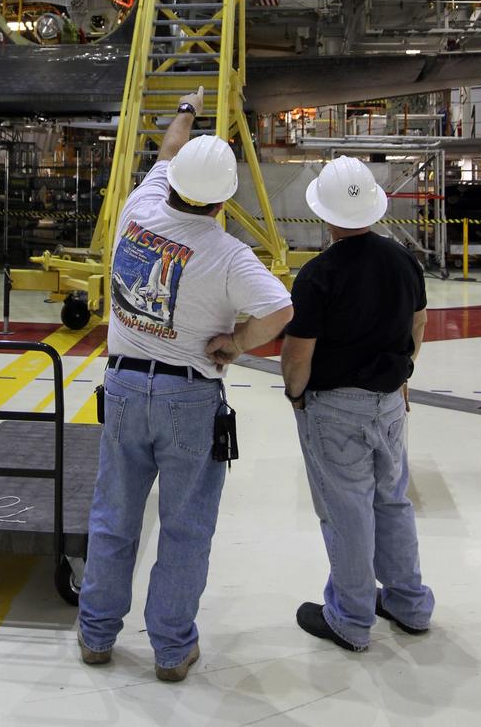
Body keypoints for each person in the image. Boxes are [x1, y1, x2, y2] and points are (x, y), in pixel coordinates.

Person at [77, 86, 293, 681]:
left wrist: (188, 111)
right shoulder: (227, 255)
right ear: (224, 201)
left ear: (171, 184)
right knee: (185, 525)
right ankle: (171, 649)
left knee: (112, 515)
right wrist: (236, 344)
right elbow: (280, 310)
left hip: (121, 390)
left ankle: (96, 634)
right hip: (188, 397)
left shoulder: (139, 207)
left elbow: (170, 150)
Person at [280, 156, 433, 653]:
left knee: (346, 511)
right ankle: (408, 603)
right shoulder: (403, 260)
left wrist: (296, 394)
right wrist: (403, 373)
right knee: (392, 501)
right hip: (389, 402)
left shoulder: (318, 275)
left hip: (335, 409)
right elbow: (418, 324)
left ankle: (350, 616)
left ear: (325, 215)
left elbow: (298, 354)